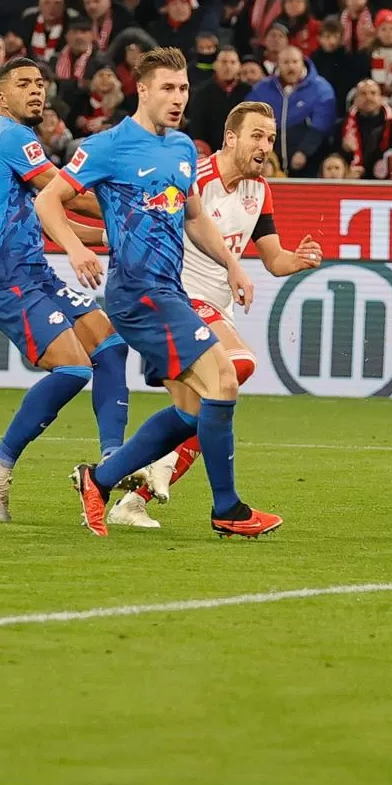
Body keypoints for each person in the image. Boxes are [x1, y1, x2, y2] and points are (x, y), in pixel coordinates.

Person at [35, 48, 283, 539]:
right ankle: (227, 510)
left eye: (184, 88)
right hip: (136, 293)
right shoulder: (107, 146)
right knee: (225, 380)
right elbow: (48, 200)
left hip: (166, 291)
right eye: (167, 88)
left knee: (192, 412)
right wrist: (74, 249)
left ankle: (98, 479)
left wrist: (233, 263)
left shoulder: (183, 149)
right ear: (142, 90)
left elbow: (194, 217)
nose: (177, 97)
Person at [134, 101, 324, 512]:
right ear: (231, 137)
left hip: (217, 307)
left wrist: (299, 259)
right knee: (238, 366)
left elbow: (274, 260)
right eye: (256, 135)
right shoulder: (194, 178)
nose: (265, 145)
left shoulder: (261, 191)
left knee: (204, 410)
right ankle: (180, 477)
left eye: (270, 138)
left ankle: (131, 496)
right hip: (179, 298)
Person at [0, 58, 131, 522]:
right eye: (23, 84)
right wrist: (131, 213)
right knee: (75, 368)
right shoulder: (11, 137)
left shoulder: (15, 142)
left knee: (111, 346)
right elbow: (68, 195)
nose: (36, 91)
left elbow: (48, 211)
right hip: (7, 278)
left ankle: (113, 461)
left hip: (34, 272)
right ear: (0, 99)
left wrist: (108, 236)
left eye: (40, 83)